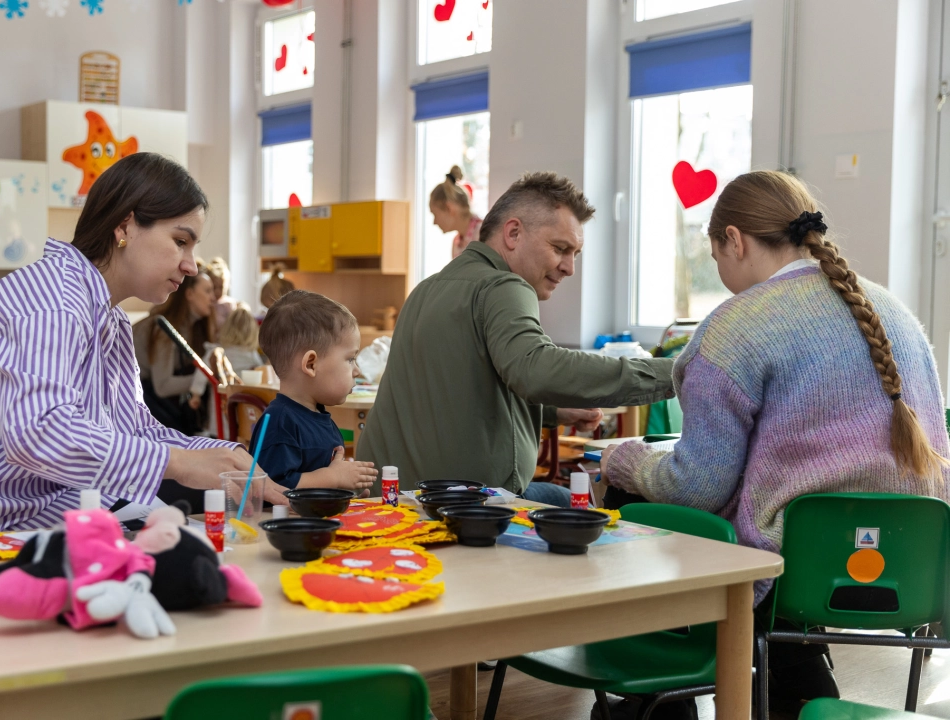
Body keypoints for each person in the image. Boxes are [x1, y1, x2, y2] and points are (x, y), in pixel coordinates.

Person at [600, 170, 950, 718]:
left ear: (733, 240)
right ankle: (799, 677)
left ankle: (653, 700)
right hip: (913, 566)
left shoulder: (735, 328)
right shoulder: (893, 312)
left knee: (642, 505)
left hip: (791, 568)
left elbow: (695, 486)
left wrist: (623, 458)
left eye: (715, 253)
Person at [0, 153, 284, 542]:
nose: (192, 265)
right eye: (180, 241)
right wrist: (179, 462)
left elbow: (133, 429)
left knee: (180, 542)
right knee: (174, 556)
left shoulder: (107, 317)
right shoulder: (51, 300)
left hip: (20, 511)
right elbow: (39, 433)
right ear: (124, 227)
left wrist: (225, 455)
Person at [357, 171, 675, 506]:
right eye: (560, 249)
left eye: (575, 254)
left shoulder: (426, 289)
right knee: (600, 513)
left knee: (563, 497)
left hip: (388, 500)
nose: (569, 268)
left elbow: (462, 390)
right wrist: (675, 373)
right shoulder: (503, 285)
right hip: (461, 509)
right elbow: (535, 369)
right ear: (513, 233)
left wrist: (552, 410)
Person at [249, 290, 378, 493]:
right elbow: (271, 489)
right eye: (350, 359)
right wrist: (334, 477)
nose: (357, 370)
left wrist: (346, 492)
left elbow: (316, 488)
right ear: (311, 364)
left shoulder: (319, 417)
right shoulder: (280, 423)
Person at [133, 270, 216, 437]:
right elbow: (163, 386)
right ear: (190, 294)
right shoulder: (164, 329)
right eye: (207, 291)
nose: (213, 298)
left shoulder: (190, 329)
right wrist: (204, 379)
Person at [186, 306, 264, 436]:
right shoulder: (252, 355)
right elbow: (261, 372)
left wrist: (196, 394)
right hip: (243, 409)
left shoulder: (216, 351)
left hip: (219, 410)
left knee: (220, 431)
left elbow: (201, 373)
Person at [430, 165, 481, 259]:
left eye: (435, 214)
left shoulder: (484, 233)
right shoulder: (457, 243)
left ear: (449, 208)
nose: (434, 222)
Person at [204, 257, 243, 329]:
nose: (218, 291)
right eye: (214, 287)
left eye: (221, 287)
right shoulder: (207, 304)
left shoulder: (230, 304)